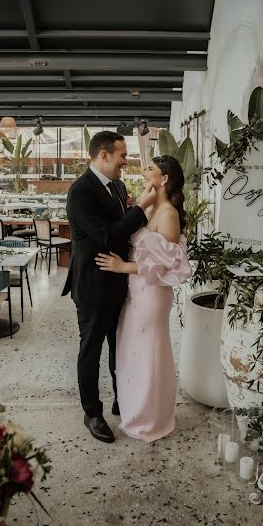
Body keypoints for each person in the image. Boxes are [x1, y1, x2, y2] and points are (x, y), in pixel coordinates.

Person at [62, 131, 156, 444]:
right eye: (122, 155)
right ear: (104, 155)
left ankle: (122, 398)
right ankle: (92, 412)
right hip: (92, 285)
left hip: (118, 282)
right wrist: (140, 209)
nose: (125, 163)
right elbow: (108, 235)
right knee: (91, 350)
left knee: (120, 346)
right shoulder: (80, 192)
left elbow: (123, 228)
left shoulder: (116, 186)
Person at [95, 155, 191, 442]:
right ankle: (136, 410)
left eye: (150, 168)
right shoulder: (151, 209)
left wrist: (123, 266)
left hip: (152, 293)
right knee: (130, 352)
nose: (144, 171)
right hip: (135, 291)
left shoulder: (169, 215)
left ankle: (151, 419)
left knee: (148, 353)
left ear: (165, 179)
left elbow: (169, 264)